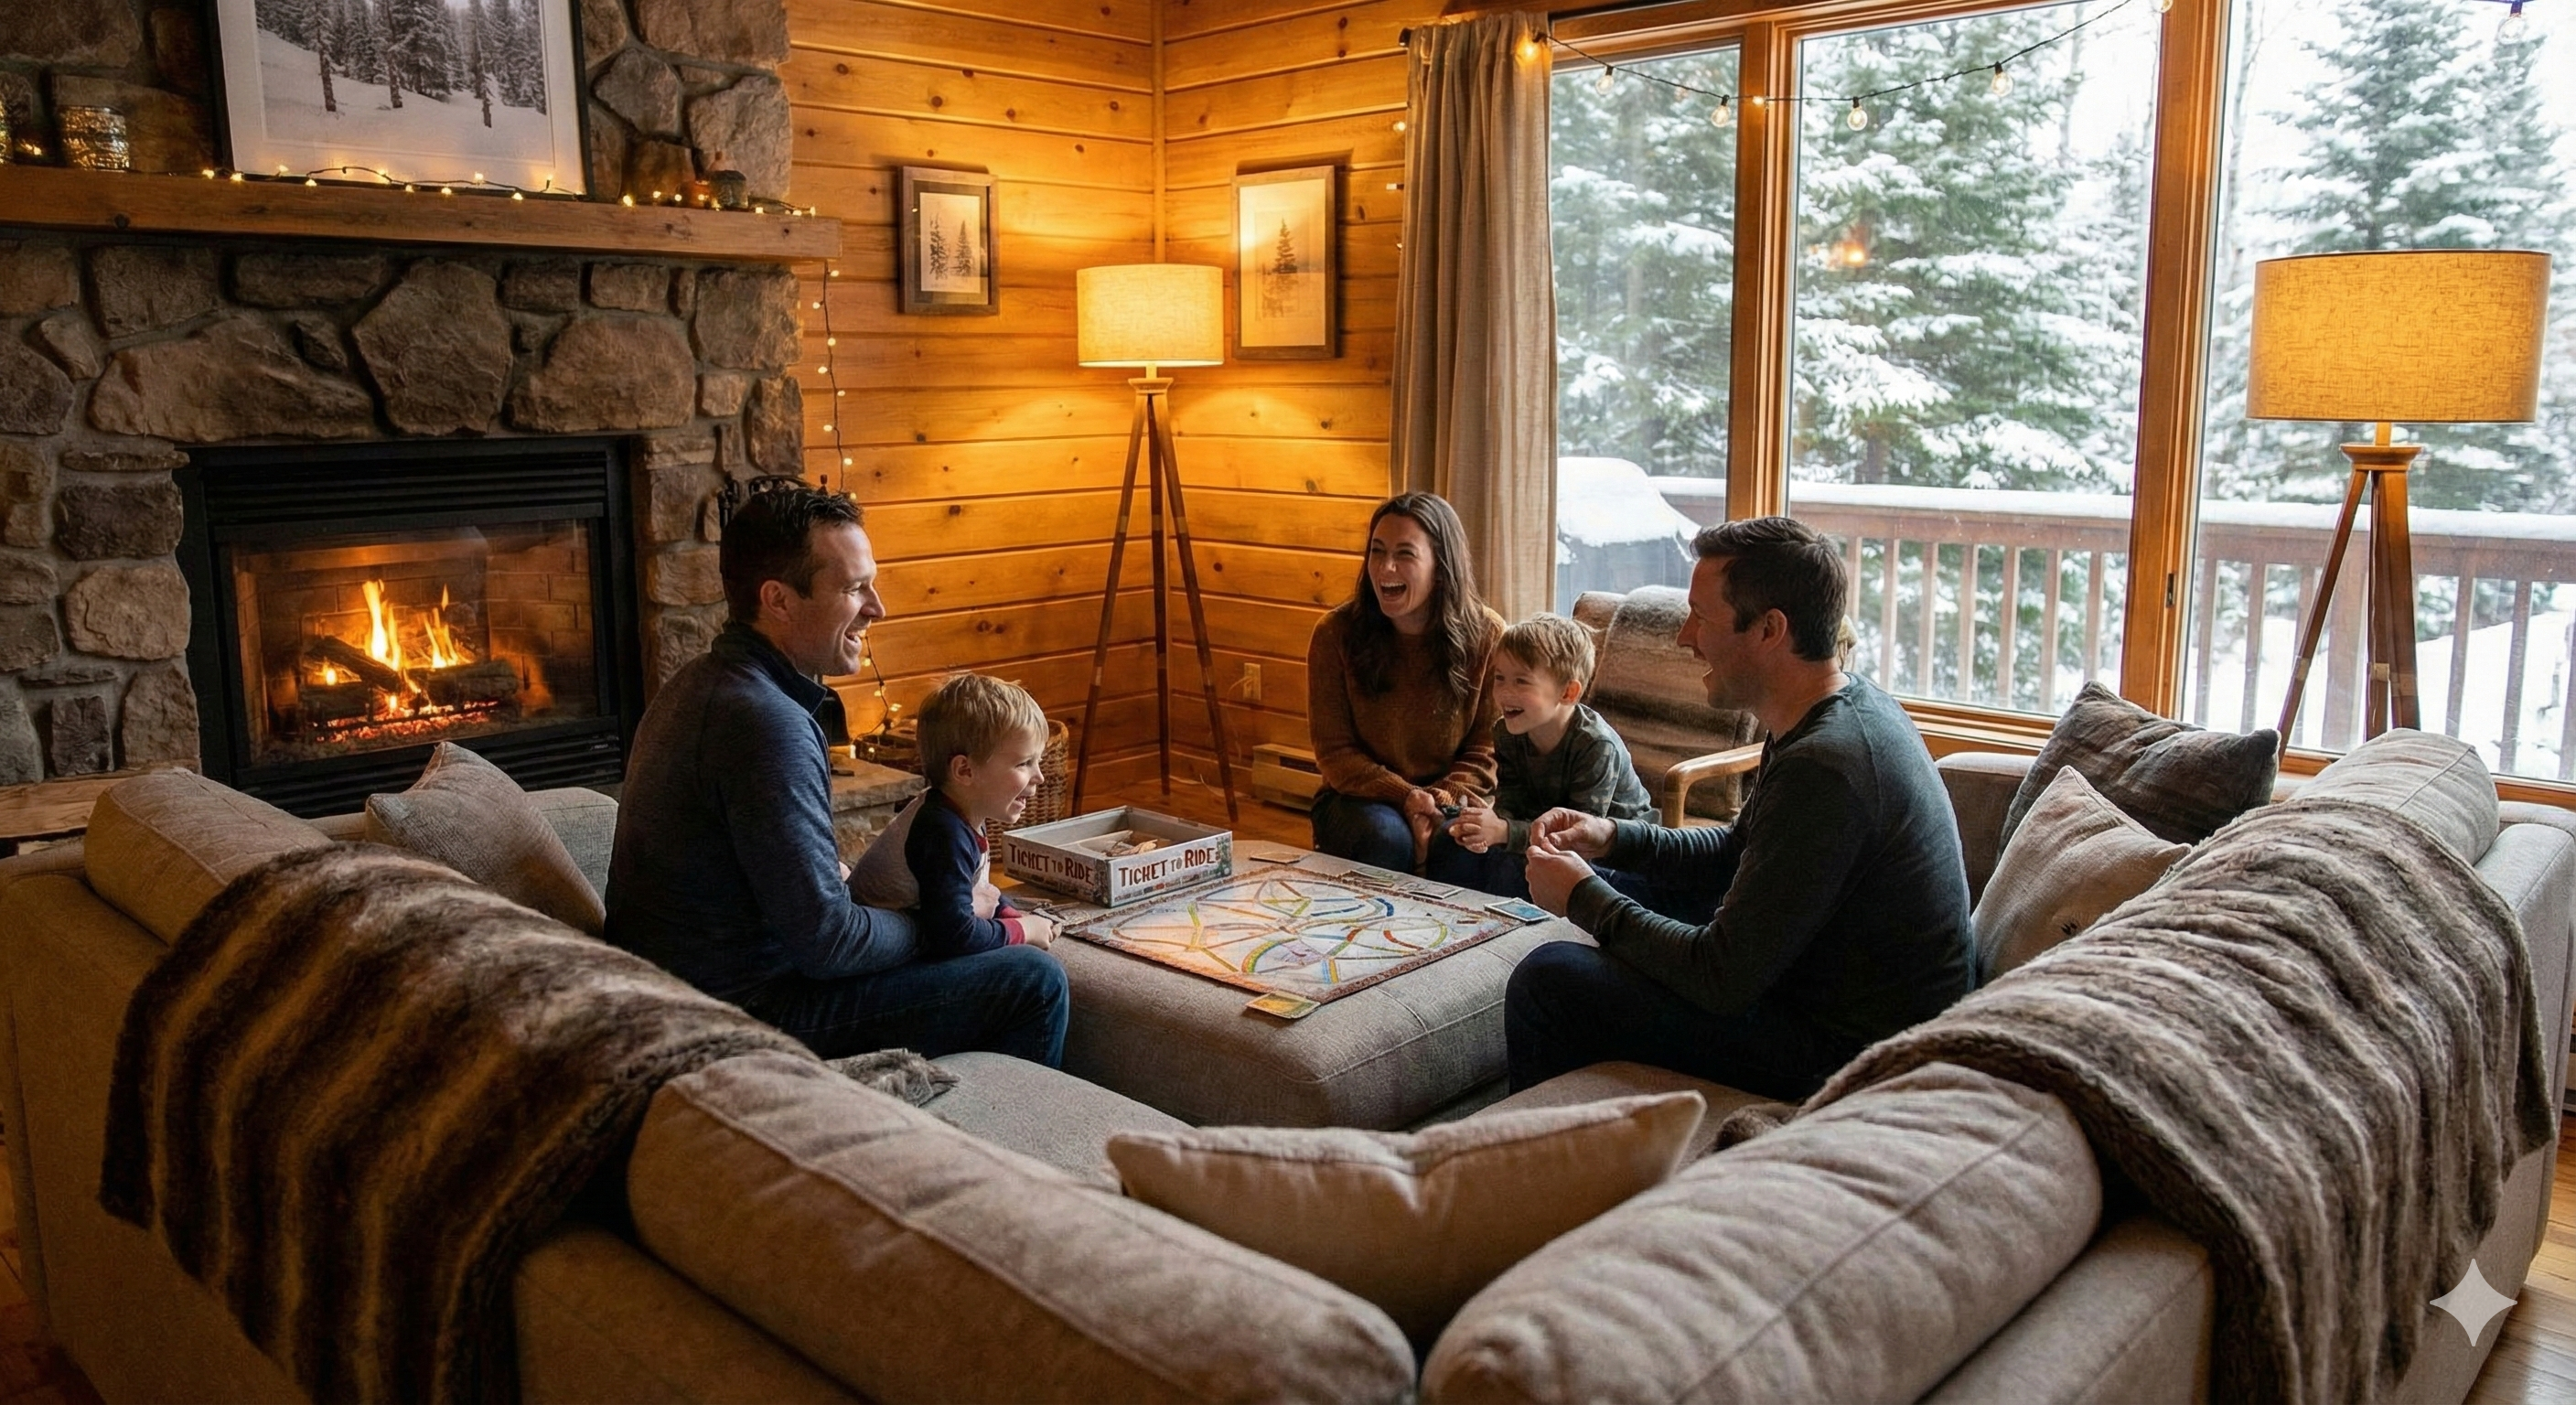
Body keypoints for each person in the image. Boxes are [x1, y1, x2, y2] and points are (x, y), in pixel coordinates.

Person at [1506, 516, 1972, 1100]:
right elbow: (1733, 848)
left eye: (1702, 617)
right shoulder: (1832, 708)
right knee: (1616, 877)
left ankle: (1543, 1172)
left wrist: (1583, 898)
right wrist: (1610, 835)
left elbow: (1718, 978)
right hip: (1808, 978)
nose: (1685, 638)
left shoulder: (1829, 765)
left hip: (1853, 1049)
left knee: (1549, 980)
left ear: (1769, 630)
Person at [605, 484, 1069, 1067]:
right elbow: (831, 944)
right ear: (778, 599)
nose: (877, 607)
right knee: (1033, 980)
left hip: (685, 984)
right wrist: (939, 922)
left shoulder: (700, 684)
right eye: (853, 588)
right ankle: (997, 1155)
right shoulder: (766, 724)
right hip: (743, 1010)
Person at [1305, 492, 1504, 874]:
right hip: (1357, 799)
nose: (1385, 569)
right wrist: (1406, 797)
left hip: (1453, 798)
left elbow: (1486, 751)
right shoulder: (1335, 634)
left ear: (1441, 566)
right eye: (1377, 552)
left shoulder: (1488, 635)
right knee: (1386, 837)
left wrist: (1436, 801)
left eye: (1405, 554)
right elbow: (1335, 753)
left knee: (1460, 844)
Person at [1441, 613, 1655, 899]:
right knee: (1452, 841)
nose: (1504, 692)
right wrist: (1483, 829)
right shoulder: (1506, 733)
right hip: (1543, 835)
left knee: (1517, 864)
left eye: (1521, 681)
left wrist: (1503, 831)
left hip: (1614, 857)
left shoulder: (1596, 746)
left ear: (1568, 692)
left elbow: (1580, 837)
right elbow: (1511, 804)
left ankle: (1511, 933)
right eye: (1499, 678)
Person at [846, 673, 1061, 957]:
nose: (1040, 777)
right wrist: (1025, 931)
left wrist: (1010, 914)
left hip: (922, 931)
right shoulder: (942, 831)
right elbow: (955, 934)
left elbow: (974, 887)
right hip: (878, 958)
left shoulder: (963, 812)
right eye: (1024, 763)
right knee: (1032, 966)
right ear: (964, 771)